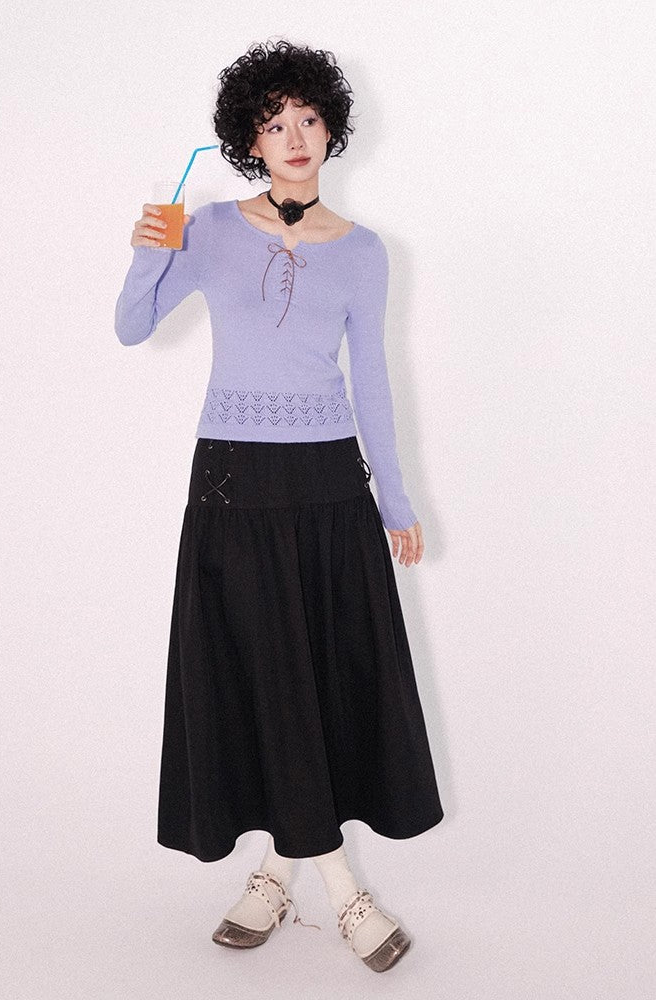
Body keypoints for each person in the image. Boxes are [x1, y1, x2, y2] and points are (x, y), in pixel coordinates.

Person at [114, 38, 443, 973]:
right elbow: (133, 327)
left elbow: (371, 379)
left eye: (307, 118)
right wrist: (147, 252)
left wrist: (395, 498)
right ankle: (343, 893)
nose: (294, 136)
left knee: (321, 683)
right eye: (273, 123)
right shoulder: (210, 228)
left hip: (331, 486)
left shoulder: (367, 253)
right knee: (259, 681)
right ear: (248, 141)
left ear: (330, 129)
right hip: (232, 481)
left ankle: (273, 876)